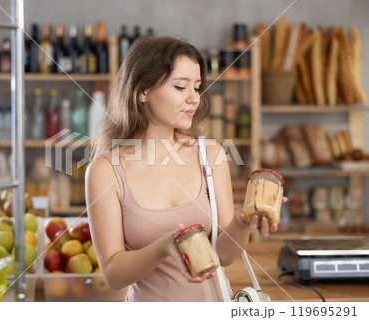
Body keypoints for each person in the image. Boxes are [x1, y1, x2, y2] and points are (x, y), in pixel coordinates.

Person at [85, 35, 280, 302]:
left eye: (197, 87)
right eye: (180, 87)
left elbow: (224, 256)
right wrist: (164, 246)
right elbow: (113, 273)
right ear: (143, 91)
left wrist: (241, 221)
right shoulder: (105, 170)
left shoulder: (211, 155)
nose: (194, 98)